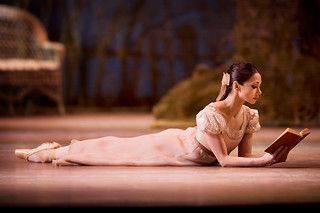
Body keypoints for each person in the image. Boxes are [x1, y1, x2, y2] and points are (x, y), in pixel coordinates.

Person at [15, 61, 289, 167]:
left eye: (259, 86)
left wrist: (273, 155)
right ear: (237, 86)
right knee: (114, 150)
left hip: (187, 155)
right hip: (176, 146)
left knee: (115, 150)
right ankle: (49, 152)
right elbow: (225, 162)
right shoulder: (210, 114)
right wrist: (262, 162)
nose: (258, 91)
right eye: (254, 86)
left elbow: (243, 158)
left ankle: (52, 151)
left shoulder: (248, 117)